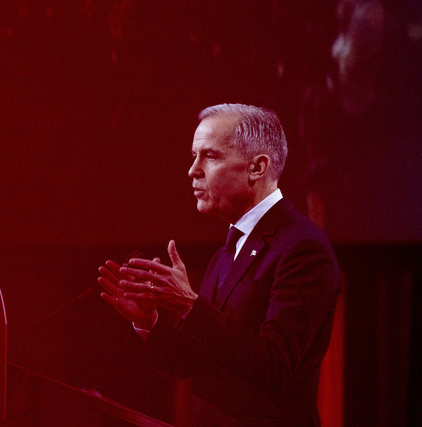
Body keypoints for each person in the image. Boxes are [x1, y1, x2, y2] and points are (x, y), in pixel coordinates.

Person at [98, 103, 341, 426]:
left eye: (210, 156)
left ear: (257, 168)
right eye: (194, 155)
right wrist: (149, 323)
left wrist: (189, 304)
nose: (193, 170)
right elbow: (193, 366)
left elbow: (273, 367)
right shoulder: (227, 251)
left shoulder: (302, 247)